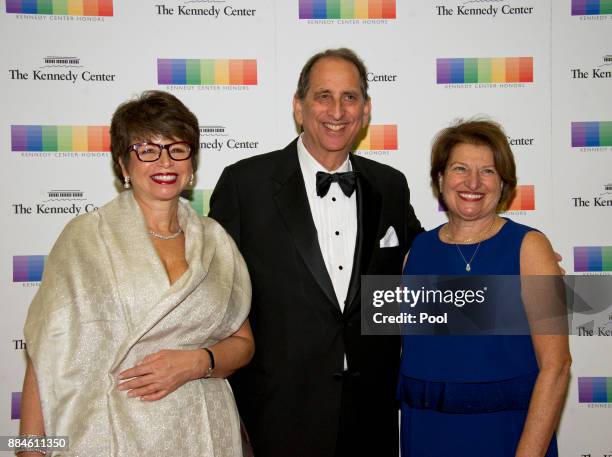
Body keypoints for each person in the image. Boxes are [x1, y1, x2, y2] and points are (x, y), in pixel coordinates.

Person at [209, 48, 423, 457]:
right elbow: (211, 290)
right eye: (323, 96)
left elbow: (429, 260)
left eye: (350, 97)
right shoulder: (245, 185)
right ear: (299, 107)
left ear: (366, 109)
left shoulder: (390, 185)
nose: (337, 110)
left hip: (371, 415)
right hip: (276, 415)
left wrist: (516, 258)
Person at [18, 91, 254, 457]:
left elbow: (243, 344)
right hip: (109, 435)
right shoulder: (86, 237)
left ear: (191, 164)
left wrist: (198, 362)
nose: (165, 160)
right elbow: (46, 354)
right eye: (147, 149)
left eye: (177, 148)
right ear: (124, 165)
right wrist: (28, 450)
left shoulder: (216, 241)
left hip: (206, 433)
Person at [399, 119, 571, 456]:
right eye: (460, 168)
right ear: (440, 178)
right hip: (427, 437)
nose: (473, 182)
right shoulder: (415, 254)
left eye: (488, 171)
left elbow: (557, 366)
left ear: (504, 183)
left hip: (507, 439)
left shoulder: (530, 248)